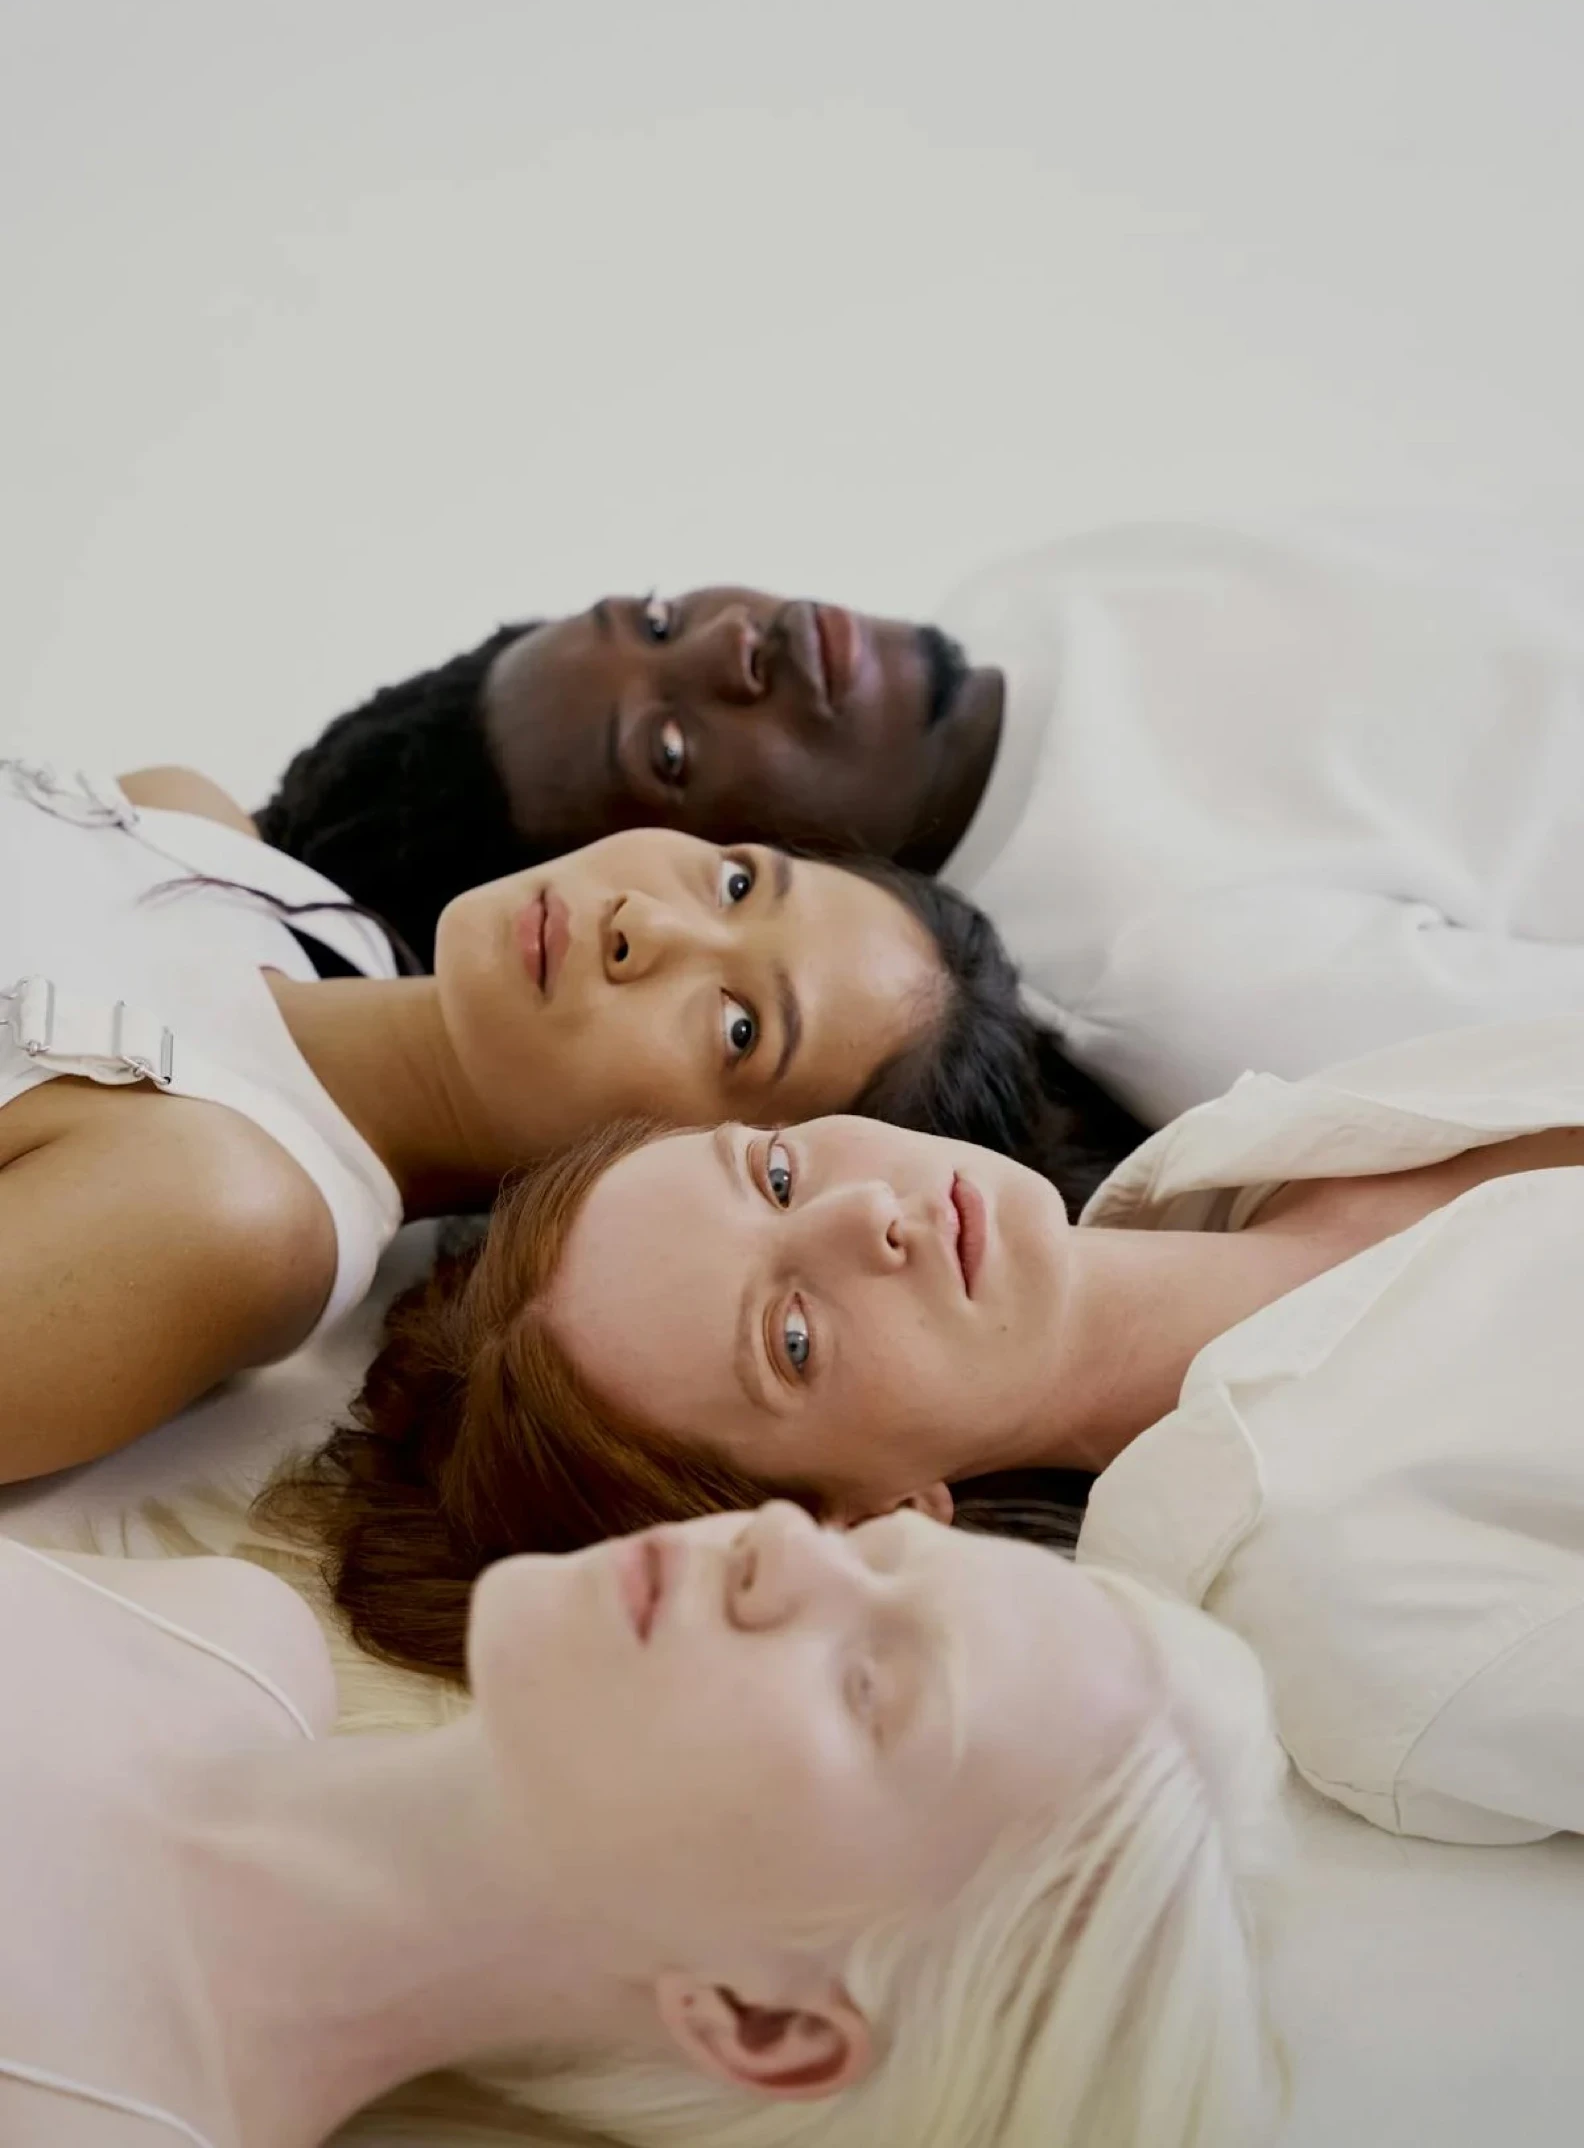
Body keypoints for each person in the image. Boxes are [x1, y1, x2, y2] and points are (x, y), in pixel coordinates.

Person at [286, 1009, 1584, 1849]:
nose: (863, 1218)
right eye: (792, 1338)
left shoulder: (1256, 1137)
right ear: (870, 1521)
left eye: (776, 1174)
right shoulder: (1342, 1596)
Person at [0, 1506, 1285, 2148]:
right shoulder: (228, 1632)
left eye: (870, 1688)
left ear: (764, 2024)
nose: (781, 1540)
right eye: (869, 1543)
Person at [0, 753, 1119, 1488]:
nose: (645, 925)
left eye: (738, 1028)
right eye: (737, 885)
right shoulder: (202, 833)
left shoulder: (228, 1215)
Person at [256, 518, 1584, 1122]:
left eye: (654, 621)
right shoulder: (1157, 971)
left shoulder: (1030, 588)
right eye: (670, 749)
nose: (730, 643)